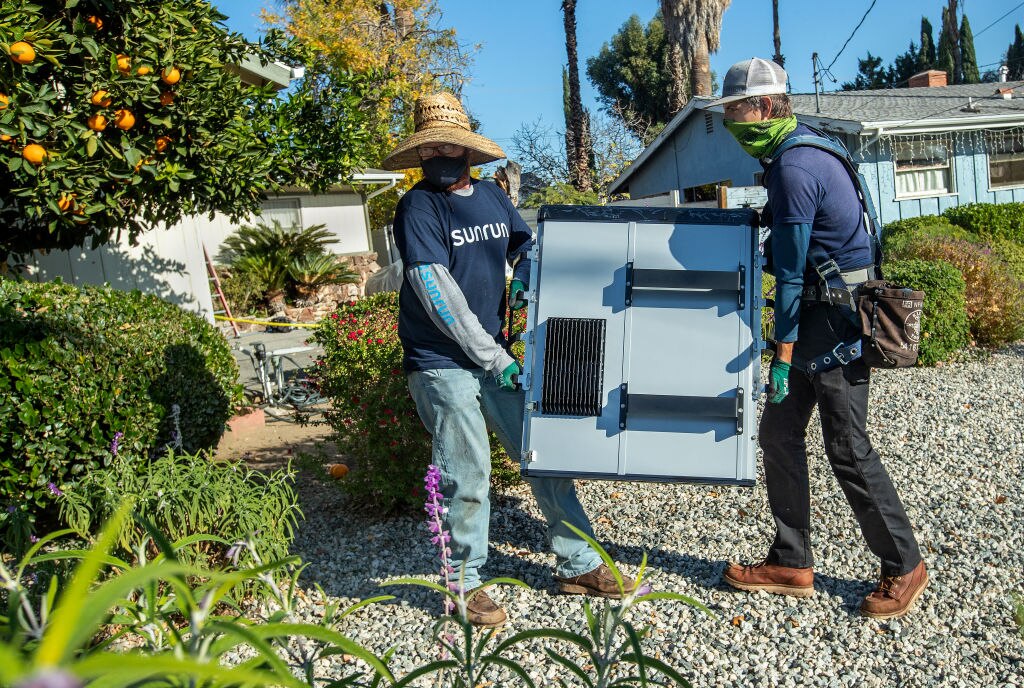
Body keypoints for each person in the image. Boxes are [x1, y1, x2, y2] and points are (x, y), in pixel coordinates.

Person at [381, 91, 635, 627]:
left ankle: (579, 562)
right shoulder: (419, 207)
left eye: (448, 147)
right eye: (430, 151)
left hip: (494, 349)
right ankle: (464, 583)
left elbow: (525, 244)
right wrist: (495, 358)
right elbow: (435, 292)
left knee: (543, 452)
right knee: (466, 470)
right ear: (420, 156)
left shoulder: (494, 196)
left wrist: (524, 276)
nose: (439, 158)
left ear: (468, 150)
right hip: (440, 360)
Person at [705, 58, 927, 619]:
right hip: (818, 321)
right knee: (778, 435)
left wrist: (779, 356)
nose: (732, 121)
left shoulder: (794, 167)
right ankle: (791, 560)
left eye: (736, 110)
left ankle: (905, 564)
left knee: (848, 448)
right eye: (728, 111)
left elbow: (792, 273)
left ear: (766, 106)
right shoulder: (806, 147)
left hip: (833, 326)